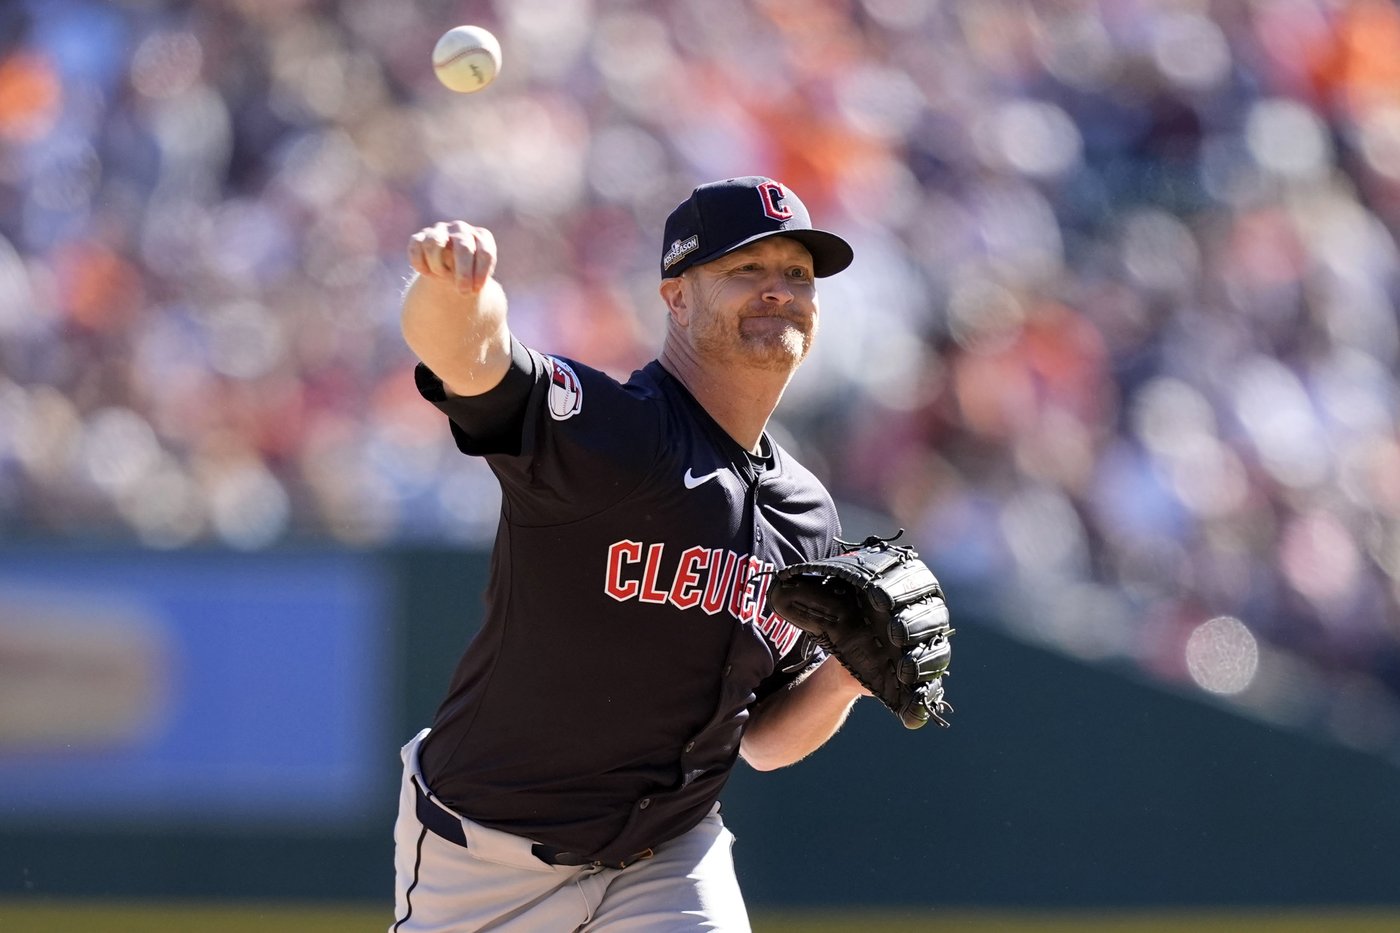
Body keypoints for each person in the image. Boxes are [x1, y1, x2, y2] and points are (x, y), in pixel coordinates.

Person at [392, 176, 869, 932]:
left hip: (669, 853)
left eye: (798, 275)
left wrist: (845, 677)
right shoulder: (608, 435)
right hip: (487, 857)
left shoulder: (808, 515)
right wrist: (455, 290)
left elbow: (767, 742)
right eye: (746, 269)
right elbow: (474, 355)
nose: (778, 290)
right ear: (676, 296)